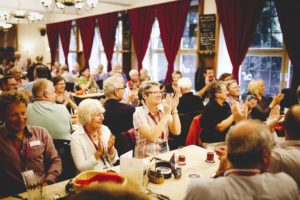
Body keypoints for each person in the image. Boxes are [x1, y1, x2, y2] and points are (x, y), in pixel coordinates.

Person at [184, 120, 299, 200]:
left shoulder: (200, 190)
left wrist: (219, 173)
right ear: (266, 157)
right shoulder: (286, 185)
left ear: (227, 154)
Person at [0, 91, 62, 197]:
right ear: (2, 116)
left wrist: (48, 181)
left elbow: (55, 160)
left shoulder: (41, 133)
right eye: (14, 115)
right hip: (12, 195)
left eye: (23, 113)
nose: (20, 119)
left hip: (42, 191)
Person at [133, 81, 181, 158]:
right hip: (147, 159)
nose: (159, 95)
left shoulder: (162, 108)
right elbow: (152, 137)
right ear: (144, 95)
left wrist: (174, 108)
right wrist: (165, 115)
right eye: (155, 92)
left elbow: (176, 131)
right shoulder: (138, 113)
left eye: (160, 92)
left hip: (165, 156)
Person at [70, 99, 118, 172]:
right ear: (86, 117)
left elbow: (113, 160)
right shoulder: (76, 138)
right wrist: (98, 153)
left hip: (109, 171)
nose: (102, 118)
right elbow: (81, 168)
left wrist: (110, 149)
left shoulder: (105, 129)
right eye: (98, 115)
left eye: (102, 114)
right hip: (91, 176)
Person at [268, 104, 300, 187]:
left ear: (285, 130)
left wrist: (240, 122)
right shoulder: (282, 155)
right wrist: (271, 130)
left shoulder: (280, 158)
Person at [102, 75, 135, 155]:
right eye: (123, 88)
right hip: (127, 150)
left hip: (105, 149)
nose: (124, 90)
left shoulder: (100, 110)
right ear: (116, 91)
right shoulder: (130, 109)